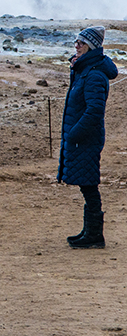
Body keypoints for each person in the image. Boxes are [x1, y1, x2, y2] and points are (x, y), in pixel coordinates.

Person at [58, 26, 117, 248]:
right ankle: (89, 231)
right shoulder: (85, 70)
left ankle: (94, 235)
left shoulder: (93, 75)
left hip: (86, 139)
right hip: (83, 137)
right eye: (76, 42)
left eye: (81, 43)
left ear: (91, 46)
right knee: (86, 183)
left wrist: (74, 133)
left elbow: (94, 111)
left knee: (89, 184)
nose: (76, 46)